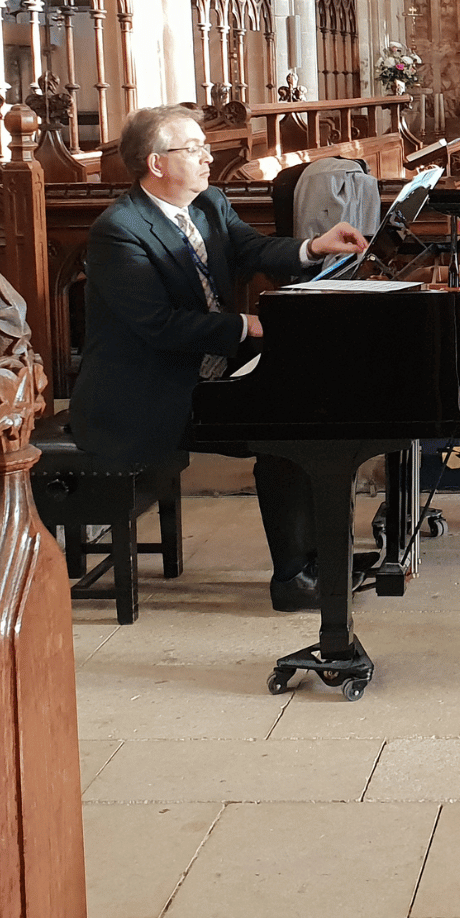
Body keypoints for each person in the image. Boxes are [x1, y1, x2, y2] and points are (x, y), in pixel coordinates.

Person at [71, 105, 367, 611]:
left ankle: (321, 558)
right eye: (193, 149)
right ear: (156, 163)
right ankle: (293, 577)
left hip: (213, 368)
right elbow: (159, 327)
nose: (209, 156)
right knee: (285, 430)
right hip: (153, 390)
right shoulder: (119, 230)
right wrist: (247, 325)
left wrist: (316, 247)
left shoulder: (207, 203)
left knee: (315, 401)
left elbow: (251, 250)